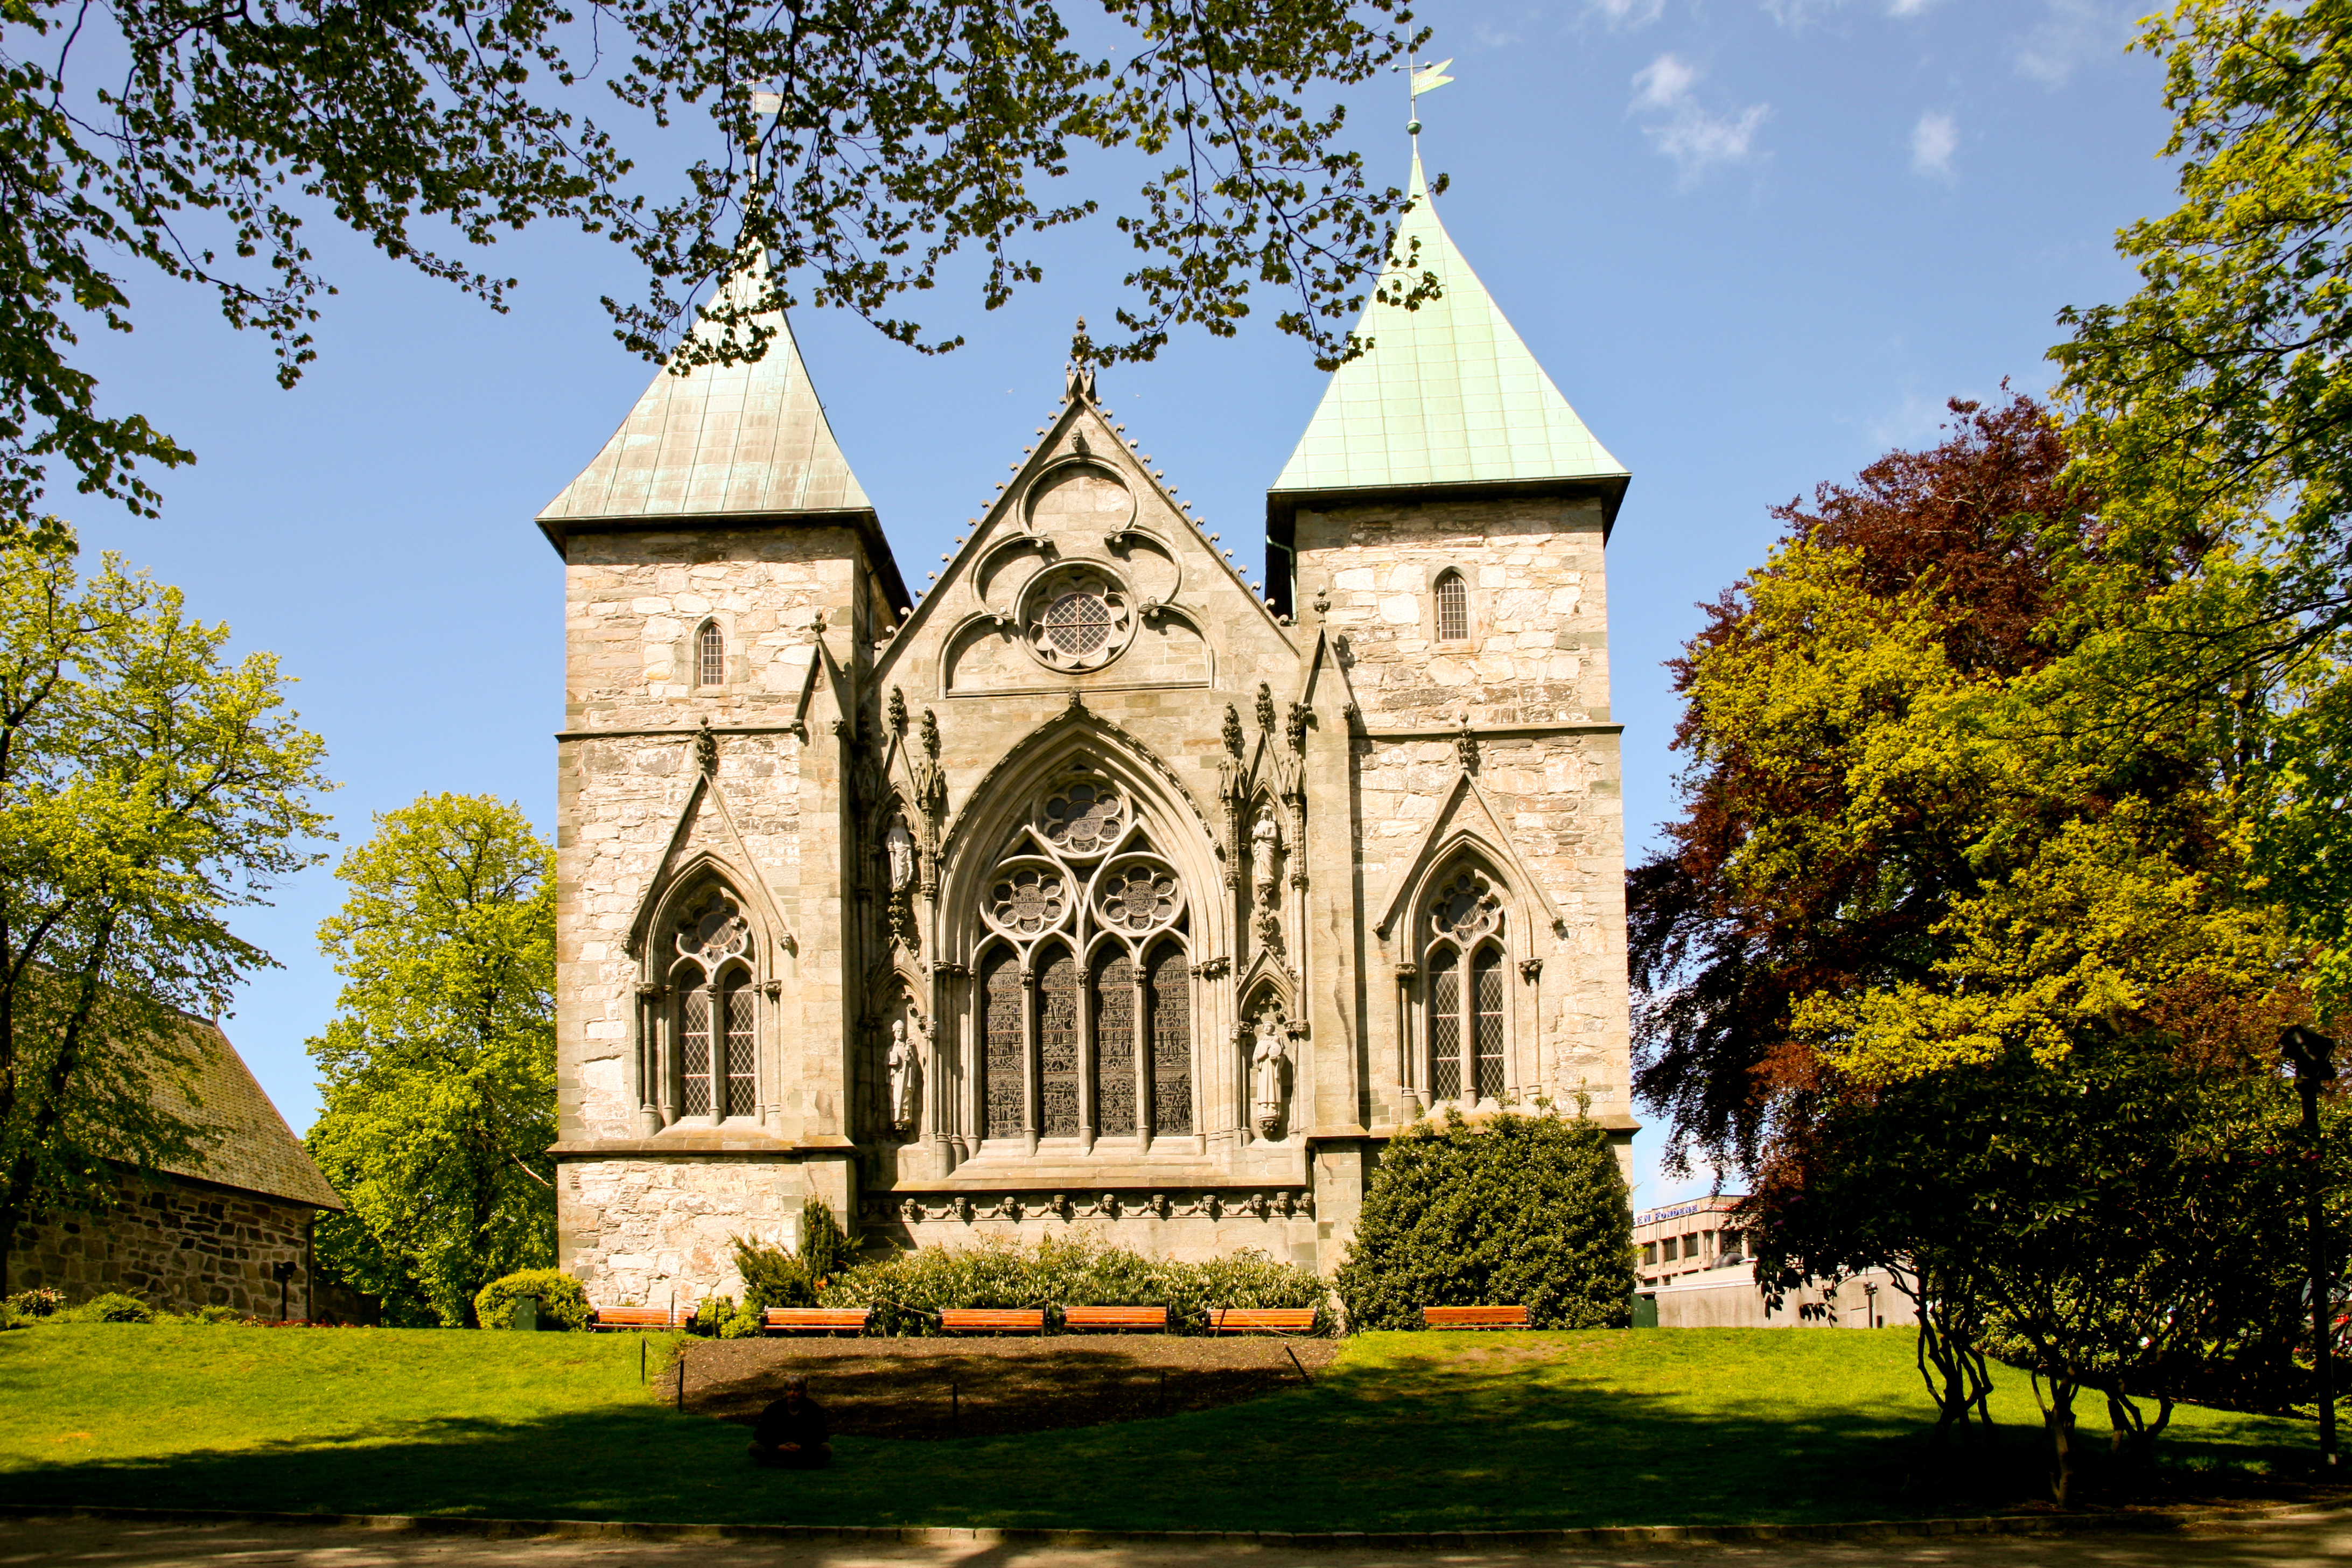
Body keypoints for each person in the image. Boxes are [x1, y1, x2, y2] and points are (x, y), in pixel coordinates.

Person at [748, 1374, 831, 1469]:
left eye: (796, 1390)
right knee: (754, 1447)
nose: (792, 1394)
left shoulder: (813, 1409)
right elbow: (760, 1434)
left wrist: (801, 1447)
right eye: (789, 1390)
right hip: (779, 1450)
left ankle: (780, 1463)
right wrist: (778, 1447)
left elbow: (822, 1436)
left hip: (802, 1450)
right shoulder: (773, 1409)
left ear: (804, 1392)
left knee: (826, 1449)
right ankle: (799, 1464)